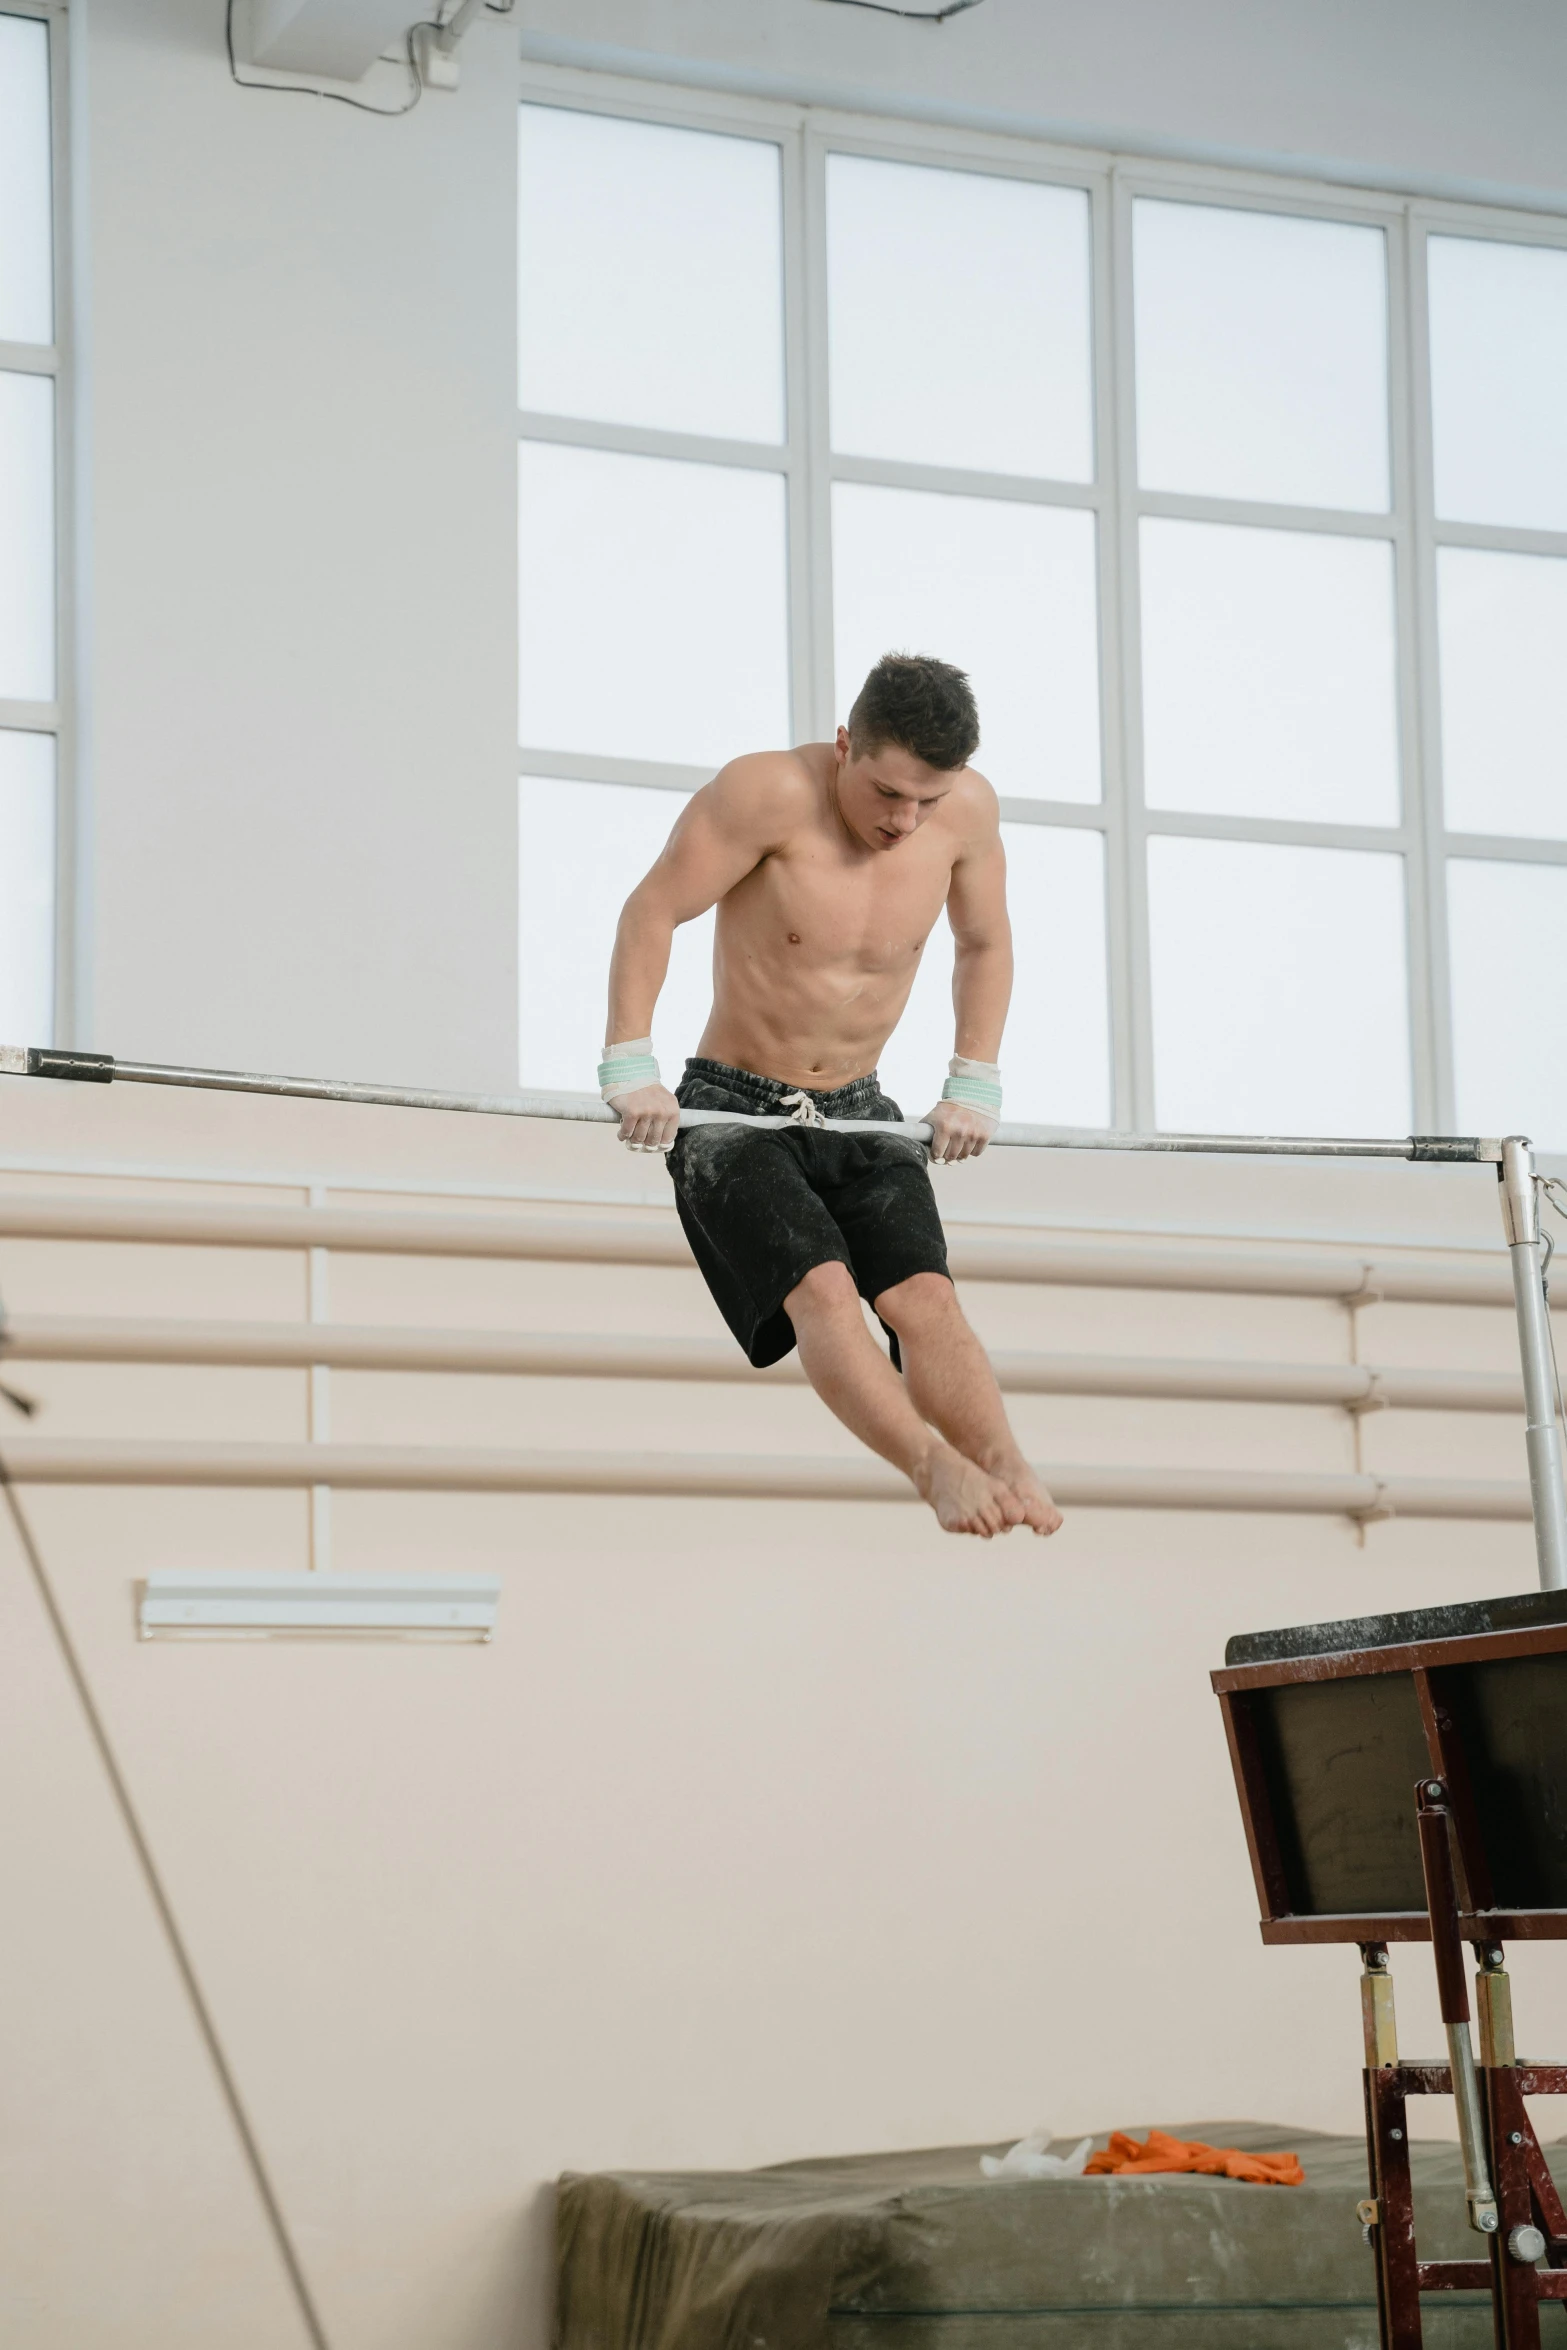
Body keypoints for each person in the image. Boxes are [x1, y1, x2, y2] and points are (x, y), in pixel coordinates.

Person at [598, 652, 1063, 1543]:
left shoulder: (965, 814)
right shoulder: (765, 794)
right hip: (734, 1110)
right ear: (846, 743)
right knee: (821, 1288)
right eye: (888, 793)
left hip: (858, 1105)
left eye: (928, 800)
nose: (906, 820)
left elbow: (982, 944)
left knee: (925, 1300)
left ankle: (1006, 1464)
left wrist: (973, 1080)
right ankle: (934, 1468)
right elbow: (651, 909)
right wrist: (630, 1066)